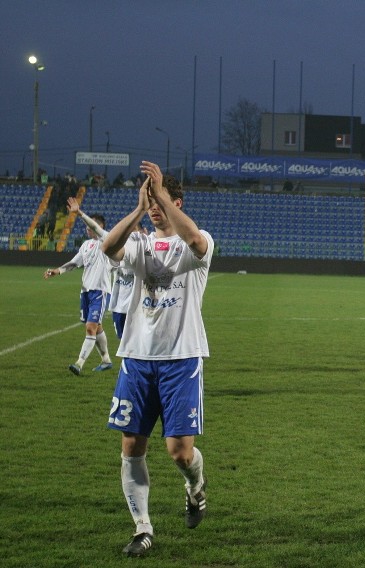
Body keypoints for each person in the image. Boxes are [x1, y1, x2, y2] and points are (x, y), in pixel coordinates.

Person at [101, 162, 213, 557]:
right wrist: (138, 207)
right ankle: (142, 527)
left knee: (180, 452)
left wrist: (162, 194)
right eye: (150, 201)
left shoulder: (195, 243)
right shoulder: (139, 245)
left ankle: (195, 486)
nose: (153, 207)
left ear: (175, 201)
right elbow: (108, 247)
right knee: (131, 446)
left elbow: (197, 242)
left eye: (160, 200)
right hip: (137, 357)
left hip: (182, 359)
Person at [43, 197, 113, 375]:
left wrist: (80, 213)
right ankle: (106, 360)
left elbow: (97, 229)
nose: (86, 228)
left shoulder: (107, 242)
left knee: (90, 327)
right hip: (86, 292)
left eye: (89, 226)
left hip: (100, 291)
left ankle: (79, 363)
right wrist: (57, 271)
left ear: (97, 226)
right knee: (96, 327)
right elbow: (74, 263)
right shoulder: (86, 245)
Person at [108, 222, 148, 340]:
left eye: (134, 230)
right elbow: (110, 266)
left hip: (140, 307)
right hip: (119, 306)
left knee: (140, 342)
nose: (130, 234)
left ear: (141, 232)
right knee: (123, 342)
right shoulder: (119, 251)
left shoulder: (147, 250)